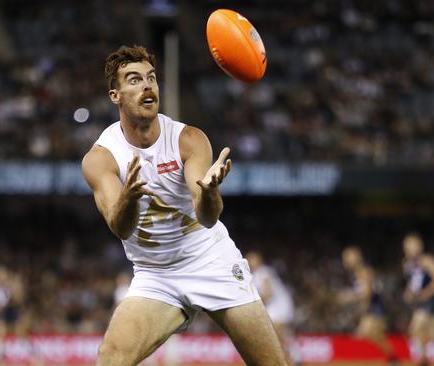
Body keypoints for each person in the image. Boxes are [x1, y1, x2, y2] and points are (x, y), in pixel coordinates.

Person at [81, 45, 287, 365]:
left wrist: (209, 191)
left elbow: (207, 217)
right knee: (110, 358)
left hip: (210, 261)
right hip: (155, 274)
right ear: (115, 96)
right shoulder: (101, 158)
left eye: (151, 78)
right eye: (134, 80)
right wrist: (129, 198)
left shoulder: (188, 139)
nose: (147, 85)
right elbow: (119, 227)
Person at [337, 246, 397, 365]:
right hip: (370, 307)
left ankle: (392, 357)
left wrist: (349, 296)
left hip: (376, 306)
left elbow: (367, 293)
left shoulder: (364, 271)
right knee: (370, 334)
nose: (345, 261)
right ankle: (392, 358)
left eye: (348, 257)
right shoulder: (355, 274)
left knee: (366, 331)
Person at [402, 232, 434, 366]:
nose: (409, 249)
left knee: (416, 326)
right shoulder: (406, 263)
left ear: (420, 247)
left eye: (412, 246)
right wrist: (409, 292)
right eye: (407, 246)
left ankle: (422, 360)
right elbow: (413, 281)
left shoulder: (427, 260)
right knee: (421, 332)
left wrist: (427, 293)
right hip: (419, 302)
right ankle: (424, 359)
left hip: (431, 301)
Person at [246, 251, 295, 364]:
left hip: (279, 305)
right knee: (279, 335)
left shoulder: (263, 272)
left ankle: (290, 359)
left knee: (275, 334)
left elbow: (269, 292)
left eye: (252, 259)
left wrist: (255, 305)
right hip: (273, 307)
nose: (250, 262)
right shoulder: (254, 275)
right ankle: (292, 357)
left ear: (258, 260)